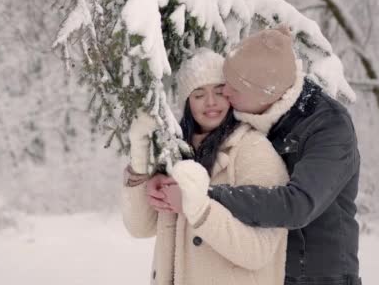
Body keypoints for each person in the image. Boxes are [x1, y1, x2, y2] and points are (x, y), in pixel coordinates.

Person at [204, 26, 362, 285]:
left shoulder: (328, 126)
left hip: (318, 276)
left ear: (265, 92)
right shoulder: (254, 113)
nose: (225, 93)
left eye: (234, 88)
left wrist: (207, 196)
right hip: (266, 270)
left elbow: (298, 206)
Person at [121, 48, 290, 285]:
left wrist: (197, 206)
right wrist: (140, 162)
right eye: (198, 94)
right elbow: (140, 228)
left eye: (219, 92)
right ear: (187, 103)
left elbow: (258, 250)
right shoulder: (178, 154)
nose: (211, 102)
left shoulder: (254, 150)